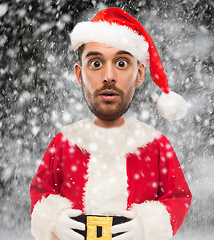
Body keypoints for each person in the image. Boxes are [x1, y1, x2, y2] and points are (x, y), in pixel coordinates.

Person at [30, 7, 191, 240]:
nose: (109, 76)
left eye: (122, 63)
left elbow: (178, 197)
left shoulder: (155, 145)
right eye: (95, 64)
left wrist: (149, 227)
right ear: (79, 74)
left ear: (139, 73)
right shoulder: (65, 143)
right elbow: (41, 192)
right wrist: (53, 221)